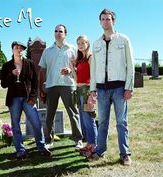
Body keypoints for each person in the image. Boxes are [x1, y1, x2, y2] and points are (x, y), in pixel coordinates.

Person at [89, 9, 134, 166]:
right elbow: (93, 69)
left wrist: (129, 87)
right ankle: (100, 150)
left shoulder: (123, 40)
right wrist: (92, 89)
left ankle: (125, 154)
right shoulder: (96, 44)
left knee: (121, 121)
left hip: (119, 88)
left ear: (113, 21)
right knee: (102, 122)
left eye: (108, 19)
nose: (105, 22)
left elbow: (130, 65)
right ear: (100, 22)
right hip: (101, 89)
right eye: (103, 19)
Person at [0, 41, 51, 160]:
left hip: (28, 99)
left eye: (21, 48)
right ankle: (20, 151)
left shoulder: (29, 63)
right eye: (16, 48)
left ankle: (41, 147)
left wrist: (33, 97)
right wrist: (11, 74)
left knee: (36, 123)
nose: (19, 50)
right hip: (14, 100)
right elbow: (3, 84)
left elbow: (35, 81)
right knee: (16, 125)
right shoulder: (7, 65)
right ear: (12, 50)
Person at [39, 24, 83, 149]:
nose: (58, 33)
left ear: (65, 34)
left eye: (61, 31)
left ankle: (78, 139)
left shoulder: (73, 49)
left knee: (73, 112)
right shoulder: (47, 51)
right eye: (56, 31)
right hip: (51, 85)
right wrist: (41, 87)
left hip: (68, 84)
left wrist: (70, 70)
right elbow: (42, 69)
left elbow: (79, 67)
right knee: (49, 113)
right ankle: (48, 140)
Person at [74, 35, 98, 157]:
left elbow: (94, 76)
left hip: (88, 91)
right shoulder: (79, 60)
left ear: (88, 44)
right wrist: (72, 66)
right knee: (83, 120)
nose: (81, 45)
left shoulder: (90, 57)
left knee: (89, 119)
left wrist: (92, 94)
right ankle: (88, 144)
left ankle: (93, 146)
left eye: (83, 43)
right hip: (79, 91)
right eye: (78, 43)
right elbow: (77, 79)